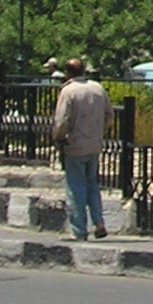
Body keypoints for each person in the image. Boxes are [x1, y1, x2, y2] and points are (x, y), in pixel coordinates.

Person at [52, 59, 111, 241]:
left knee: (75, 187)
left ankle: (79, 230)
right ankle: (99, 222)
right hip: (94, 144)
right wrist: (100, 133)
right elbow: (109, 115)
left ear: (67, 72)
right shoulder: (98, 88)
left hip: (75, 145)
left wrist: (59, 138)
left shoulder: (68, 91)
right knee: (92, 184)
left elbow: (62, 120)